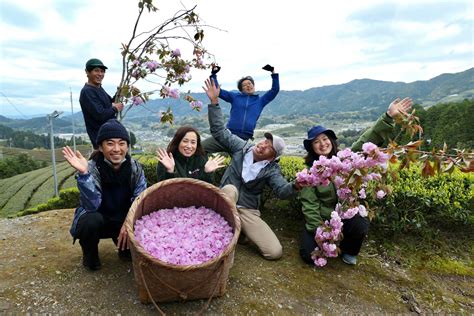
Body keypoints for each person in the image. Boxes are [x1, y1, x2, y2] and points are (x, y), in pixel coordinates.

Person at [299, 97, 413, 266]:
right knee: (309, 256)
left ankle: (349, 250)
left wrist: (388, 116)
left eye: (325, 139)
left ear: (331, 140)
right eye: (316, 142)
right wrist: (322, 231)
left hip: (345, 213)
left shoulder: (345, 158)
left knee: (359, 220)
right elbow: (310, 204)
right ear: (312, 148)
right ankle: (327, 242)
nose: (322, 144)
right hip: (324, 219)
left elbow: (367, 138)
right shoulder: (311, 173)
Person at [203, 78, 301, 260]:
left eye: (269, 147)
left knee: (274, 252)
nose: (263, 145)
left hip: (247, 210)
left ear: (273, 156)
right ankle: (220, 235)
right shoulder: (241, 147)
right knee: (231, 190)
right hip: (225, 201)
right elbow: (219, 131)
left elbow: (282, 191)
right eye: (264, 141)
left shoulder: (272, 170)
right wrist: (214, 102)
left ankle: (237, 229)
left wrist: (297, 185)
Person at [63, 119, 147, 271]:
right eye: (110, 143)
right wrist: (84, 174)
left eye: (122, 143)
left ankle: (125, 248)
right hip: (99, 219)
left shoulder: (135, 168)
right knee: (90, 220)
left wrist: (128, 223)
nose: (116, 149)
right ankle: (90, 255)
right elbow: (91, 205)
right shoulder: (91, 169)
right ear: (100, 147)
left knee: (140, 222)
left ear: (127, 146)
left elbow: (139, 200)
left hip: (122, 220)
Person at [202, 64, 280, 153]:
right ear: (241, 90)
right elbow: (217, 90)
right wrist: (213, 74)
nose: (248, 86)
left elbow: (275, 90)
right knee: (200, 148)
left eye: (250, 84)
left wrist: (273, 72)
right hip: (227, 135)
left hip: (243, 140)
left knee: (240, 165)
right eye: (244, 85)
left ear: (254, 86)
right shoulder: (235, 97)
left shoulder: (260, 101)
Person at [80, 58, 124, 149]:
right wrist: (115, 108)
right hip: (101, 139)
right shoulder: (87, 92)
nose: (100, 74)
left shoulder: (99, 88)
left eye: (102, 71)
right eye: (96, 71)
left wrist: (119, 93)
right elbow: (100, 114)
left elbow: (109, 103)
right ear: (87, 72)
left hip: (109, 135)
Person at [156, 125, 225, 183]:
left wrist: (207, 172)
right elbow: (164, 191)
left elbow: (207, 190)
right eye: (185, 141)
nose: (189, 146)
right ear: (178, 142)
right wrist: (170, 171)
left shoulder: (201, 158)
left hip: (198, 198)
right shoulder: (167, 160)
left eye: (193, 142)